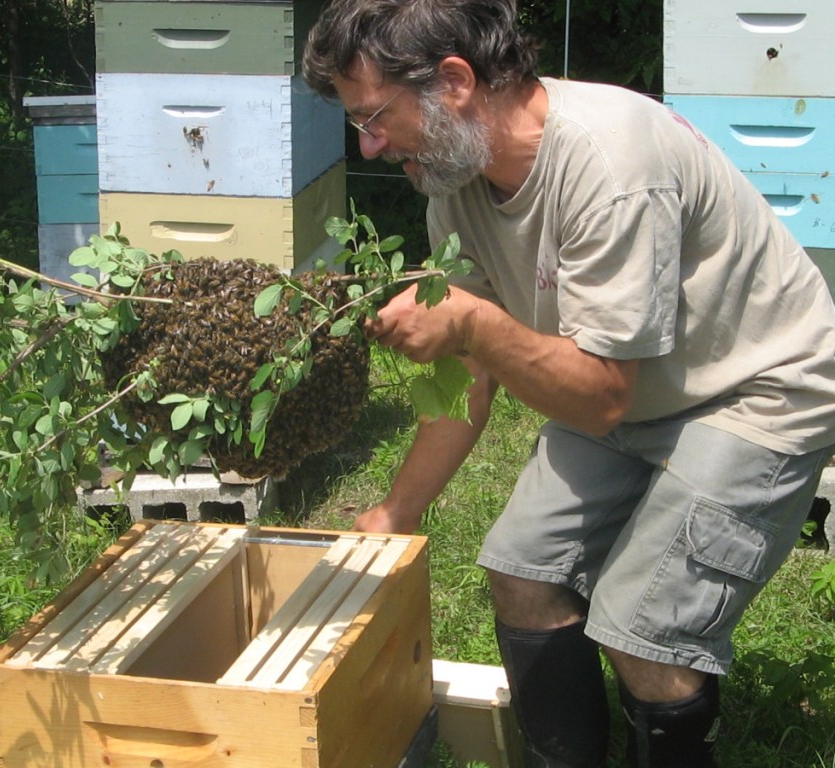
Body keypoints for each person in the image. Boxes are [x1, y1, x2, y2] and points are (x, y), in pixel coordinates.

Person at [301, 1, 835, 766]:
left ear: (454, 82)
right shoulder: (454, 183)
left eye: (375, 115)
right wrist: (395, 510)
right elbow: (473, 377)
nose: (369, 143)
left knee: (644, 630)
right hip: (638, 392)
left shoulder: (609, 161)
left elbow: (596, 394)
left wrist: (475, 323)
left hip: (759, 386)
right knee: (521, 570)